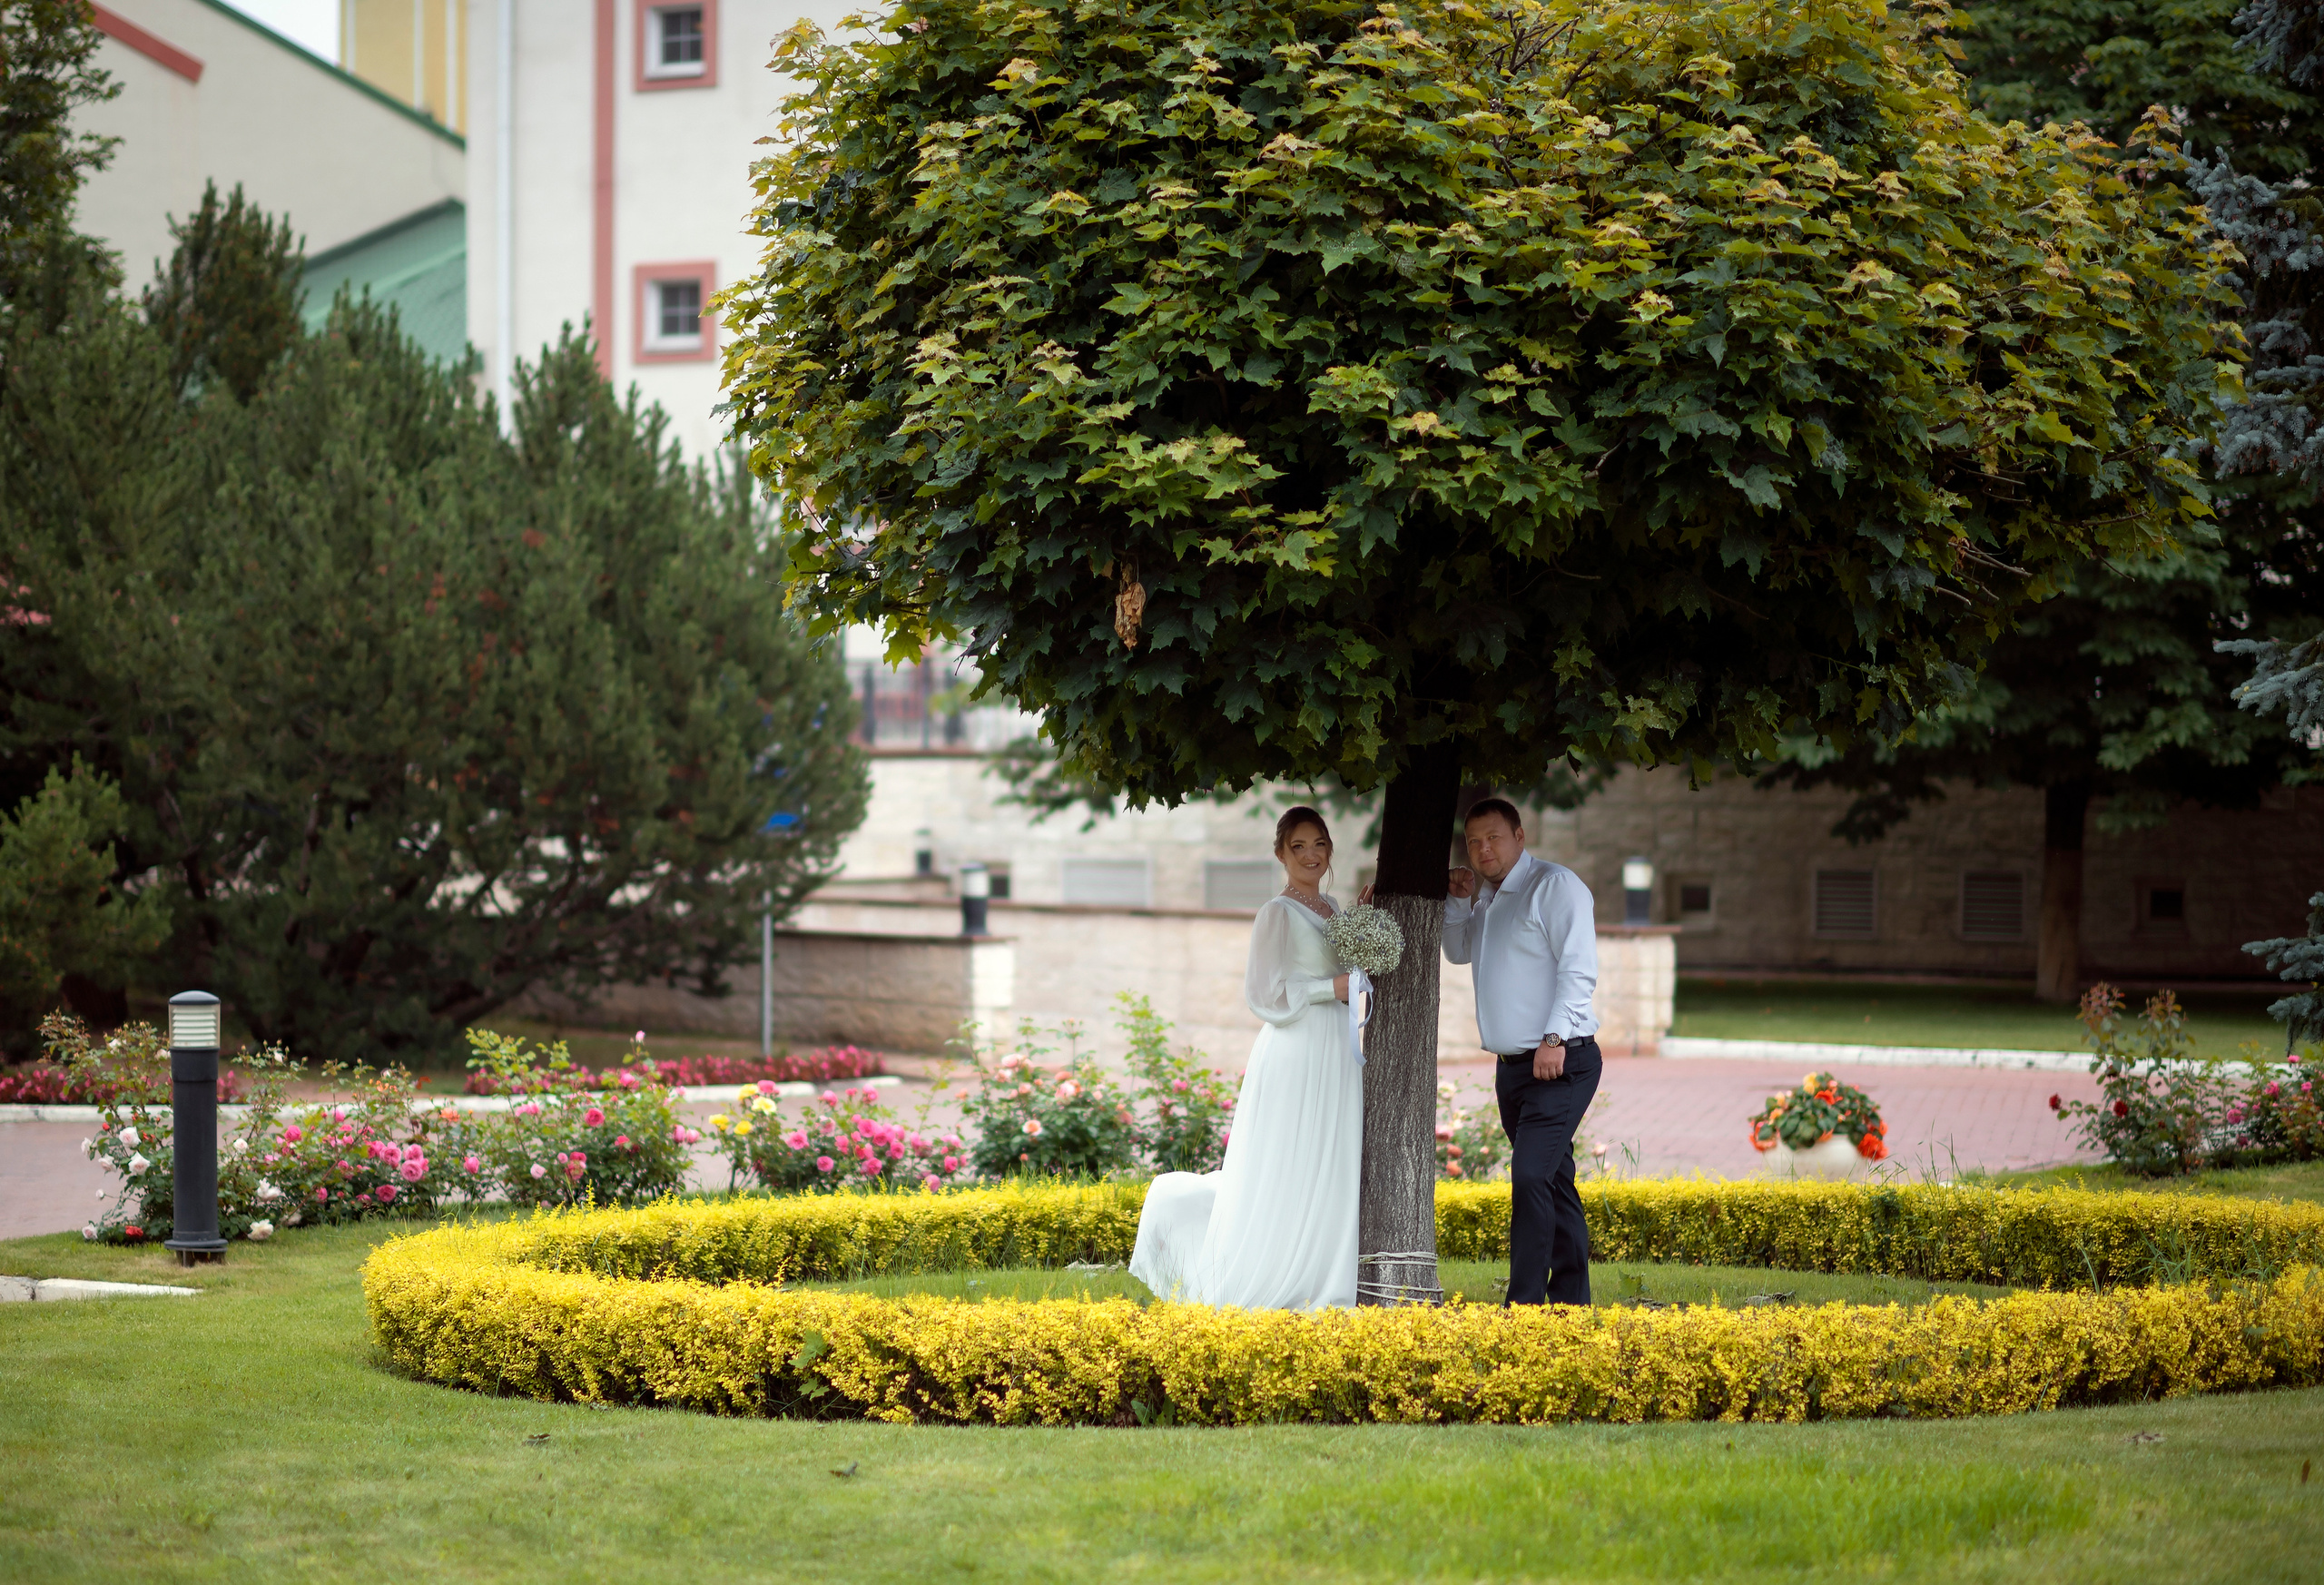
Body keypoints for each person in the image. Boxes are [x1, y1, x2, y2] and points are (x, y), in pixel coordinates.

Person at [1128, 807, 1361, 1309]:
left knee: (1328, 1152)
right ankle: (1277, 1266)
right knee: (1289, 1154)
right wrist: (1330, 989)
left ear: (1330, 851)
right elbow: (1265, 995)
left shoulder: (1335, 908)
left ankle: (1323, 1265)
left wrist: (1362, 932)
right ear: (1281, 853)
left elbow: (1345, 969)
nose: (1310, 855)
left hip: (1337, 1048)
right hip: (1296, 1044)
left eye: (1318, 844)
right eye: (1298, 846)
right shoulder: (1275, 913)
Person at [1443, 797, 1601, 1306]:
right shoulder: (1488, 896)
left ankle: (1527, 1305)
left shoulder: (1554, 886)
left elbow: (1578, 969)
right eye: (1473, 841)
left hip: (1559, 1060)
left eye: (1493, 837)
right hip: (1513, 1069)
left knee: (1531, 1175)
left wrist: (1554, 1038)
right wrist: (1457, 902)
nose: (1483, 848)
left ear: (1519, 836)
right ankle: (1572, 1301)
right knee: (1552, 1180)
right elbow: (1458, 950)